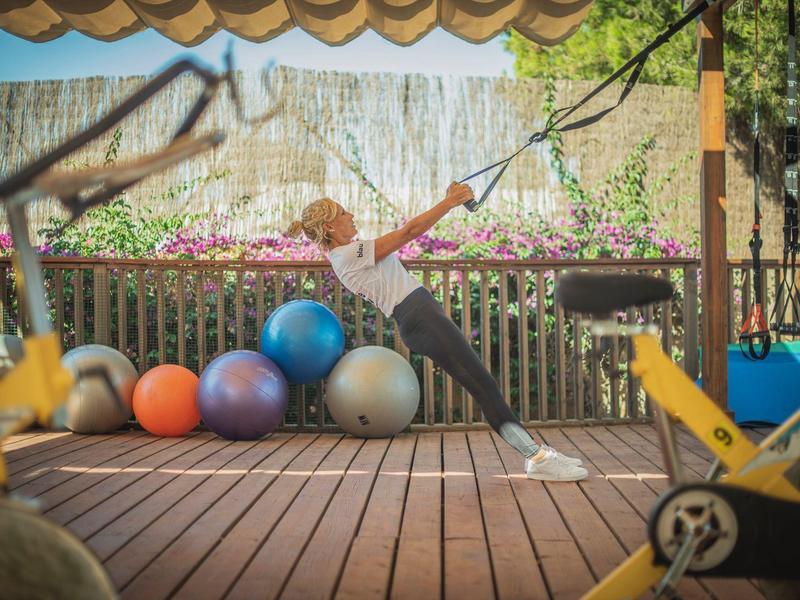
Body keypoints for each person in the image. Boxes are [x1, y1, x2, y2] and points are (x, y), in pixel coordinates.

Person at [287, 183, 588, 481]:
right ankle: (536, 458)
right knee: (483, 385)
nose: (351, 214)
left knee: (482, 382)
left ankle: (536, 455)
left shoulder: (349, 252)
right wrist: (449, 202)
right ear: (329, 226)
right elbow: (408, 233)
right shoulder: (348, 254)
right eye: (343, 212)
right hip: (420, 318)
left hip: (422, 316)